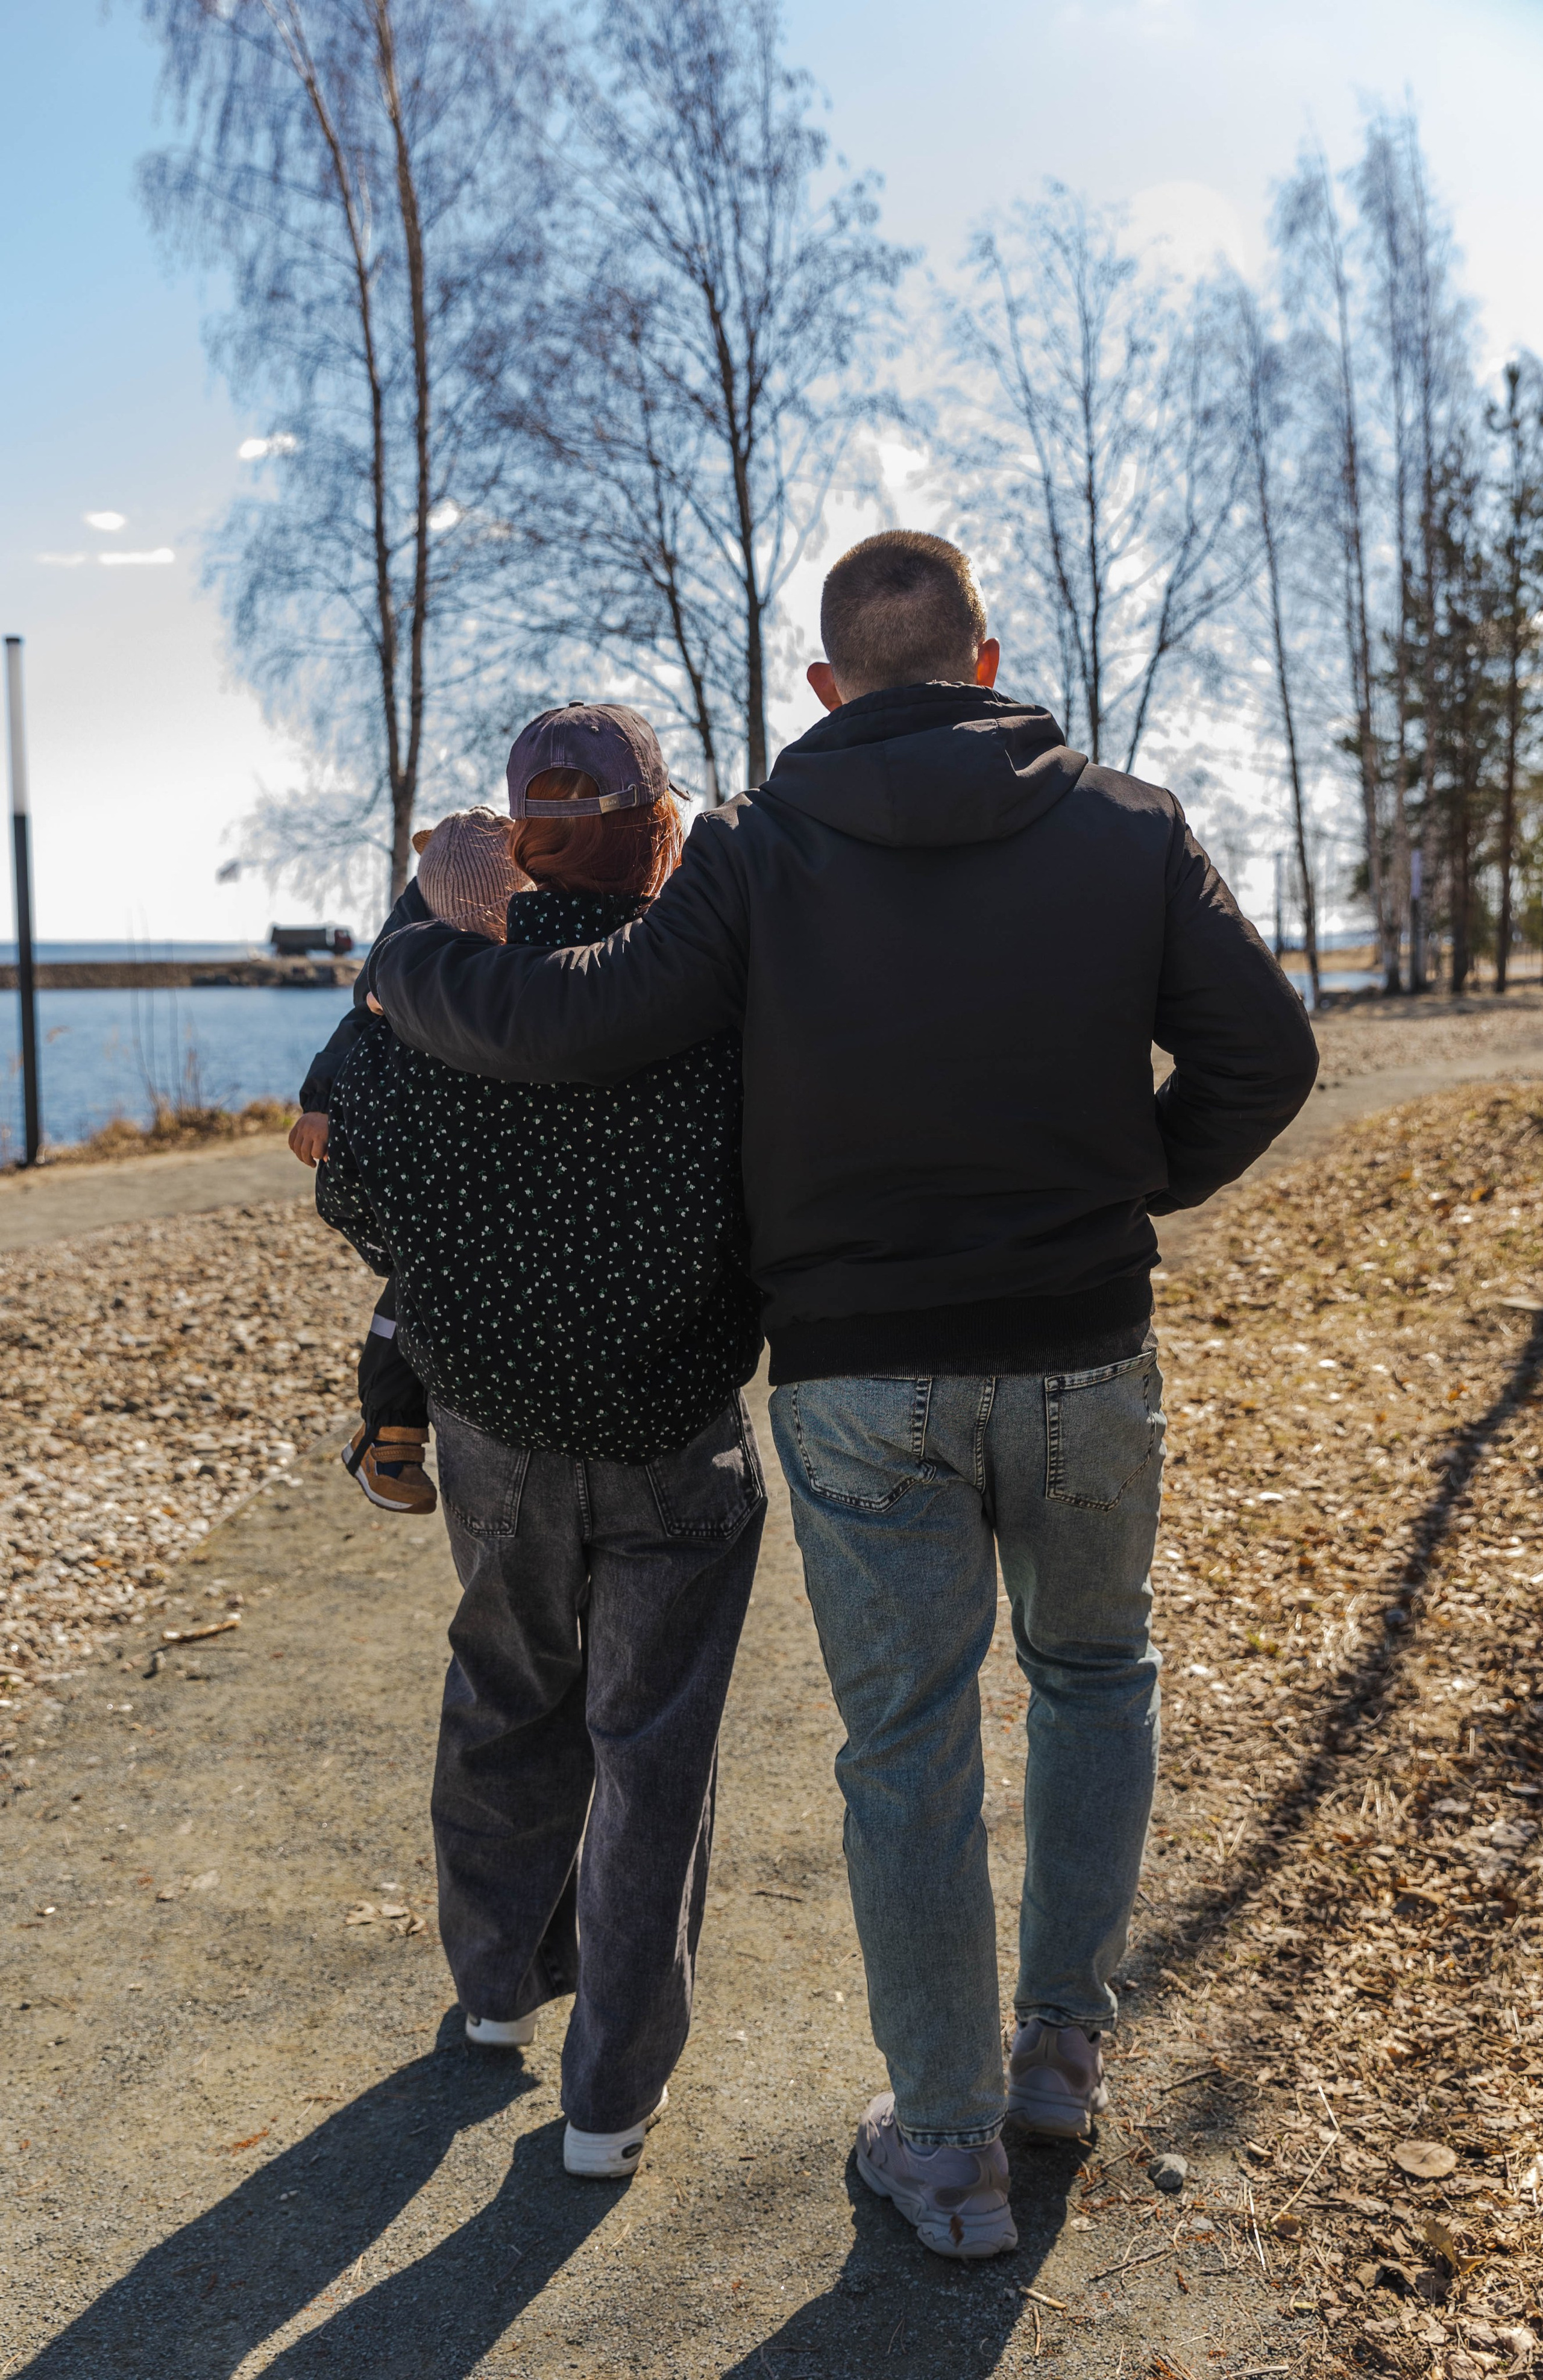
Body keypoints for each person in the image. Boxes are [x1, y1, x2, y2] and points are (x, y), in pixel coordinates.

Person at [365, 533, 1319, 2258]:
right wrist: (1131, 1185)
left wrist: (418, 949)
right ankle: (1061, 2054)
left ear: (826, 685)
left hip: (860, 1372)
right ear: (985, 655)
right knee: (1096, 1675)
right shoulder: (1128, 823)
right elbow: (1273, 1050)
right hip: (1086, 1347)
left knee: (907, 1744)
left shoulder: (756, 847)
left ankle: (945, 2150)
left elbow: (583, 1021)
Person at [318, 705, 765, 2179]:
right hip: (670, 1424)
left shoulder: (435, 974)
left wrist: (445, 1291)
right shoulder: (706, 975)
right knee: (653, 1753)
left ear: (510, 826)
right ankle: (609, 2101)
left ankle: (496, 1996)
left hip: (492, 1420)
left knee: (505, 1689)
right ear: (653, 822)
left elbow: (343, 1170)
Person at [291, 806, 529, 1516]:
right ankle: (387, 1431)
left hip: (475, 1145)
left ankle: (390, 1432)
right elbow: (356, 1028)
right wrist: (319, 1101)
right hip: (417, 1148)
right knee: (421, 1272)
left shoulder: (531, 934)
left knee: (437, 1270)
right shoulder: (403, 947)